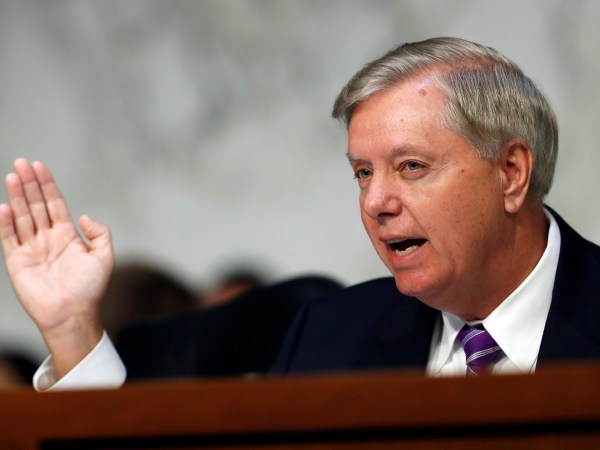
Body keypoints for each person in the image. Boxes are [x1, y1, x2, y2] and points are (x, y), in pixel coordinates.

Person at [1, 37, 599, 390]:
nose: (375, 202)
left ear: (511, 173)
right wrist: (73, 331)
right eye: (363, 173)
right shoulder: (331, 336)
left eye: (411, 166)